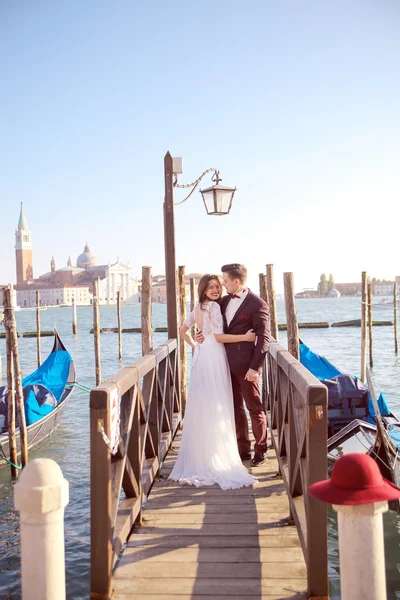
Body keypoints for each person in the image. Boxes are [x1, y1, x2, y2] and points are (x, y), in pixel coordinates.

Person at [168, 274, 257, 490]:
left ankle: (203, 455)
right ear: (203, 290)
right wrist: (244, 338)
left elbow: (182, 331)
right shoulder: (215, 308)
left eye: (218, 286)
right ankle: (215, 456)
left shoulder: (198, 307)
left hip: (201, 357)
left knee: (204, 404)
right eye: (211, 287)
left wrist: (194, 345)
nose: (216, 290)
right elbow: (218, 337)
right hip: (214, 356)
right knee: (218, 404)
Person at [197, 263, 270, 466]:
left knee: (254, 407)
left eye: (226, 281)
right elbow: (212, 326)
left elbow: (264, 338)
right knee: (235, 408)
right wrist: (200, 333)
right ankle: (242, 449)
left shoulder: (257, 304)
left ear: (236, 281)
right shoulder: (223, 301)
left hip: (247, 367)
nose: (223, 285)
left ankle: (261, 449)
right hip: (222, 364)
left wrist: (255, 368)